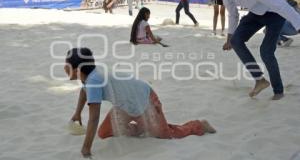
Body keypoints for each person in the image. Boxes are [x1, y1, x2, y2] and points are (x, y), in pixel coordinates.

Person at [65, 48, 216, 158]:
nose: (65, 68)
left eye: (67, 66)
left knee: (167, 135)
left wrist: (86, 148)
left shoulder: (94, 81)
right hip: (124, 106)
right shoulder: (89, 76)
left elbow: (93, 118)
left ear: (78, 70)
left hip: (145, 101)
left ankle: (200, 125)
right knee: (104, 133)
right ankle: (145, 126)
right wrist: (77, 113)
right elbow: (83, 91)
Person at [211, 0, 300, 100]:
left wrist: (298, 23)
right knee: (236, 41)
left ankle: (278, 91)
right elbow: (233, 14)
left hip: (274, 13)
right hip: (256, 12)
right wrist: (229, 39)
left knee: (266, 52)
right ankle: (260, 80)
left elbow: (279, 4)